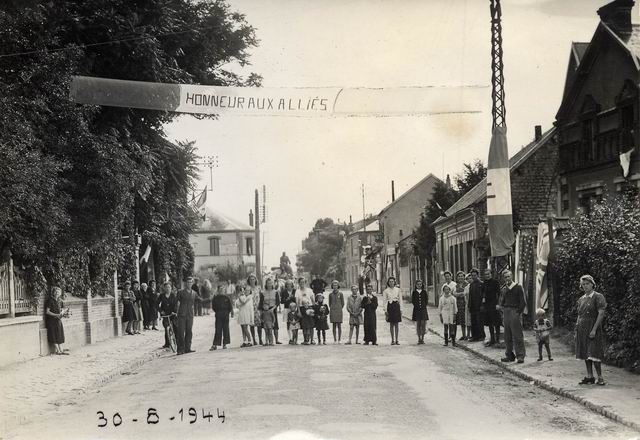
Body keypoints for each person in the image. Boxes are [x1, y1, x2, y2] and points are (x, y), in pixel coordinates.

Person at [575, 275, 606, 386]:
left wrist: (594, 329)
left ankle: (600, 377)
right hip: (582, 329)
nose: (585, 286)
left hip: (593, 327)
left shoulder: (598, 297)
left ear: (592, 284)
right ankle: (590, 376)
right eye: (583, 284)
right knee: (585, 353)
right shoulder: (581, 299)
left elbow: (601, 314)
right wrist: (577, 327)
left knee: (594, 352)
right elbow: (579, 315)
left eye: (587, 284)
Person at [499, 270, 526, 363]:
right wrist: (503, 311)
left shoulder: (518, 287)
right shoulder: (503, 289)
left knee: (517, 334)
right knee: (507, 335)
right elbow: (501, 302)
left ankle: (520, 355)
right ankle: (509, 355)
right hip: (506, 312)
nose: (507, 279)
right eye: (505, 277)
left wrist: (518, 312)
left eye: (508, 276)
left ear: (512, 276)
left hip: (515, 311)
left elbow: (523, 302)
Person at [176, 276, 196, 355]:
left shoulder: (194, 293)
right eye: (188, 282)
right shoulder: (180, 292)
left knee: (189, 331)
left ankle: (188, 348)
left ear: (192, 283)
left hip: (190, 315)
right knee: (181, 332)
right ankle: (180, 350)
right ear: (185, 283)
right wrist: (175, 312)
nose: (189, 284)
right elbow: (176, 302)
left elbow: (198, 301)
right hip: (182, 314)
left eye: (191, 282)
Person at [45, 287, 68, 355]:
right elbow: (47, 312)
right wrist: (56, 315)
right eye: (56, 292)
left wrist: (63, 313)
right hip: (51, 321)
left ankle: (61, 350)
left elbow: (61, 310)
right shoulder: (50, 300)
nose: (57, 293)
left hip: (58, 320)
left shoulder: (59, 301)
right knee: (53, 335)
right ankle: (58, 351)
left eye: (58, 292)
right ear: (53, 293)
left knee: (59, 335)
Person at [210, 284, 233, 350]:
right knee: (218, 329)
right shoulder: (215, 298)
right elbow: (213, 307)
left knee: (226, 329)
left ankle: (224, 344)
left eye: (222, 289)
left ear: (224, 290)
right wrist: (218, 312)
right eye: (220, 289)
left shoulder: (227, 298)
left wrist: (229, 313)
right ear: (218, 290)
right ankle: (215, 345)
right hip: (218, 314)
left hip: (226, 314)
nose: (221, 290)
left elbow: (230, 307)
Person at [482, 269, 501, 346]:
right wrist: (483, 304)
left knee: (496, 322)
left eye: (488, 274)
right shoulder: (484, 283)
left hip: (494, 304)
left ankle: (498, 339)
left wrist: (498, 304)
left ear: (491, 274)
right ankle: (492, 339)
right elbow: (483, 294)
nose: (487, 275)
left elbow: (499, 293)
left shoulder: (495, 282)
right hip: (487, 305)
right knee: (490, 323)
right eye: (486, 274)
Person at [259, 278, 279, 346]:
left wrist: (273, 309)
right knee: (266, 326)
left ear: (272, 284)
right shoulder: (263, 292)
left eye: (270, 283)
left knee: (275, 324)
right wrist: (261, 311)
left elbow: (278, 302)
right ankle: (267, 341)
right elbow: (261, 302)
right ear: (266, 284)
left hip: (273, 309)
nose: (269, 284)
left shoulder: (276, 292)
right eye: (268, 283)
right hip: (265, 309)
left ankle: (276, 340)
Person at [157, 281, 178, 349]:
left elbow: (176, 304)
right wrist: (161, 311)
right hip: (165, 314)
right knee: (166, 328)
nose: (167, 289)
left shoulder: (173, 295)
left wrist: (174, 311)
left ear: (171, 288)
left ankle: (177, 342)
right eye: (166, 287)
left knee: (175, 328)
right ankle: (167, 343)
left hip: (172, 314)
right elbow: (156, 304)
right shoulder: (161, 295)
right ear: (164, 288)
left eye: (169, 287)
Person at [296, 277, 316, 345]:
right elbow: (297, 302)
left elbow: (313, 300)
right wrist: (298, 311)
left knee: (311, 324)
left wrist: (314, 309)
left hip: (309, 307)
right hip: (302, 308)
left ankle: (312, 339)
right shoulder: (297, 291)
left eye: (303, 282)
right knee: (304, 325)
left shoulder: (309, 290)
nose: (302, 283)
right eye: (301, 282)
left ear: (305, 282)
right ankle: (305, 340)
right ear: (299, 283)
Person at [383, 276, 402, 345]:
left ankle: (397, 340)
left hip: (396, 306)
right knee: (391, 324)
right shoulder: (386, 291)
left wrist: (401, 309)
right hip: (390, 307)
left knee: (396, 324)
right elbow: (384, 301)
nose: (391, 283)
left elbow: (400, 300)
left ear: (394, 282)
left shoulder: (398, 290)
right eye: (390, 282)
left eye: (392, 281)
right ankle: (392, 340)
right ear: (388, 282)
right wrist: (385, 310)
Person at [467, 269, 485, 342]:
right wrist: (469, 305)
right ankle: (474, 336)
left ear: (477, 275)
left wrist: (482, 305)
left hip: (479, 305)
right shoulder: (471, 285)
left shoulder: (481, 284)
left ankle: (481, 336)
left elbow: (484, 295)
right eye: (472, 275)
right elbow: (470, 296)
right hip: (473, 306)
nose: (474, 277)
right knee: (473, 321)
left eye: (475, 275)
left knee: (479, 322)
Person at [246, 274, 263, 346]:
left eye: (253, 279)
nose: (252, 281)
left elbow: (261, 297)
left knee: (259, 325)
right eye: (251, 279)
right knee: (252, 325)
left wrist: (261, 306)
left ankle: (260, 339)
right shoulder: (247, 288)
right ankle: (254, 339)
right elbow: (245, 298)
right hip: (250, 308)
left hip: (258, 308)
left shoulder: (258, 288)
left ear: (255, 280)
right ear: (249, 281)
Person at [411, 279, 429, 345]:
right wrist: (417, 306)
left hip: (423, 310)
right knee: (418, 324)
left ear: (422, 285)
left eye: (420, 284)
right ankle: (419, 338)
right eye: (418, 284)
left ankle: (423, 338)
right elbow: (413, 301)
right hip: (416, 310)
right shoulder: (414, 292)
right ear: (416, 285)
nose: (419, 285)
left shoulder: (424, 292)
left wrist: (423, 306)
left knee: (423, 324)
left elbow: (426, 300)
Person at [280, 279, 296, 344]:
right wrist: (287, 299)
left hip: (294, 308)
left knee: (295, 322)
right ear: (286, 285)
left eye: (290, 284)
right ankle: (290, 338)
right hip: (287, 308)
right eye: (288, 284)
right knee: (288, 323)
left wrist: (292, 298)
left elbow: (297, 299)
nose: (289, 285)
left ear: (292, 285)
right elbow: (281, 301)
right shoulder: (284, 291)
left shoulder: (295, 291)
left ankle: (295, 338)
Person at [454, 271, 468, 340]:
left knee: (466, 320)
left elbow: (465, 293)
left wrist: (458, 294)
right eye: (459, 276)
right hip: (458, 305)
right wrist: (460, 294)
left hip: (466, 304)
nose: (460, 277)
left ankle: (468, 335)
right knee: (461, 320)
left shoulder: (466, 284)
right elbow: (454, 294)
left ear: (464, 277)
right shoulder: (456, 285)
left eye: (462, 276)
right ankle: (463, 335)